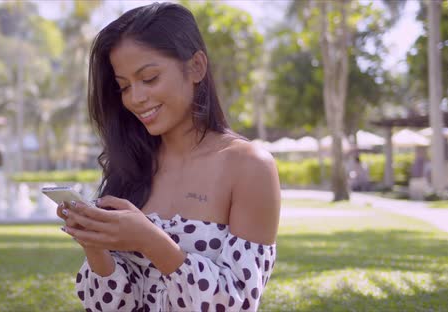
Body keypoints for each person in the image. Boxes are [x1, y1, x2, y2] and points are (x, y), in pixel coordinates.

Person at [56, 3, 280, 311]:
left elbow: (236, 303)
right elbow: (109, 307)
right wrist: (94, 246)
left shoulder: (249, 166)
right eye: (124, 87)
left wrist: (149, 240)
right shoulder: (131, 165)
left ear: (196, 67)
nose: (135, 98)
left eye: (149, 78)